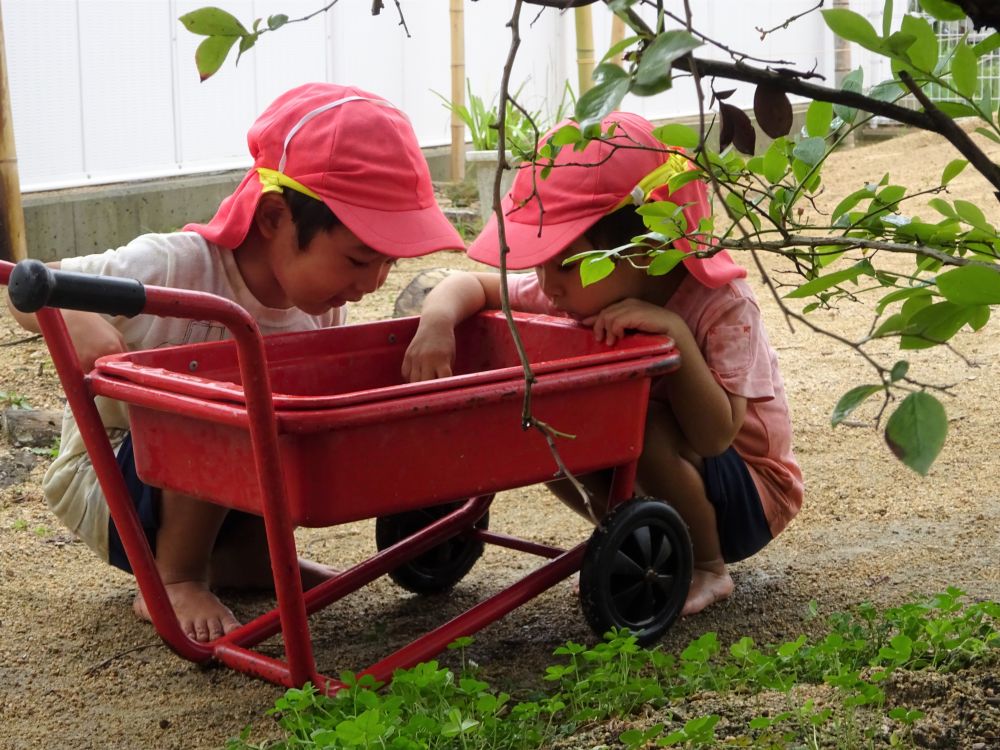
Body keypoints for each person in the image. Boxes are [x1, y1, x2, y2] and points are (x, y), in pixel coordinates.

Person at [6, 82, 464, 642]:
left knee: (290, 416)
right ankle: (177, 578)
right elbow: (23, 285)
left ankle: (249, 560)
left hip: (215, 493)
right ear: (274, 217)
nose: (370, 283)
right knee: (219, 406)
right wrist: (75, 316)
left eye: (387, 265)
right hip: (112, 485)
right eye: (357, 259)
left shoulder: (315, 309)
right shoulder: (173, 265)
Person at [403, 111, 803, 617]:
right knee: (541, 432)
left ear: (643, 248)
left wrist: (673, 335)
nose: (548, 285)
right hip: (660, 475)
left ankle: (707, 566)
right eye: (539, 262)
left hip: (749, 492)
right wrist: (436, 321)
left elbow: (715, 437)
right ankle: (641, 542)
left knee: (649, 426)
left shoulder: (720, 304)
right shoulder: (578, 289)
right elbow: (473, 285)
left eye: (565, 262)